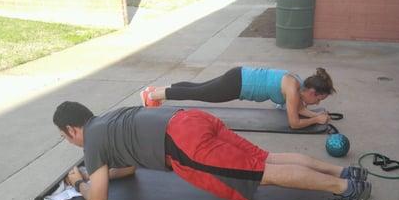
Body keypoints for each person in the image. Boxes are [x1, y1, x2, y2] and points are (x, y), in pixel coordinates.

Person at [53, 101, 371, 200]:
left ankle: (345, 188)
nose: (71, 142)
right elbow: (131, 168)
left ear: (71, 130)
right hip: (190, 117)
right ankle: (345, 172)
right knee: (264, 158)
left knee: (262, 173)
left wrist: (78, 181)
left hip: (183, 141)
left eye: (66, 137)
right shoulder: (108, 119)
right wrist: (103, 172)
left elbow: (98, 199)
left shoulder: (91, 140)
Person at [140, 67, 336, 130]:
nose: (318, 103)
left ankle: (156, 89)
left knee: (199, 88)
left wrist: (316, 114)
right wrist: (316, 119)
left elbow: (299, 109)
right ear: (311, 92)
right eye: (319, 100)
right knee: (198, 93)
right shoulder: (293, 91)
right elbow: (294, 122)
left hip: (239, 75)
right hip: (237, 85)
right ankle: (152, 96)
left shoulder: (297, 82)